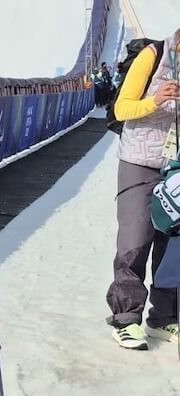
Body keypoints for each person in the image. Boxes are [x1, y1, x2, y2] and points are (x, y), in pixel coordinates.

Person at [107, 28, 180, 350]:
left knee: (172, 244)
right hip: (140, 161)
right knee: (135, 240)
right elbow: (121, 109)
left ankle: (164, 317)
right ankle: (126, 318)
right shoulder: (153, 55)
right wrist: (156, 99)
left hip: (175, 166)